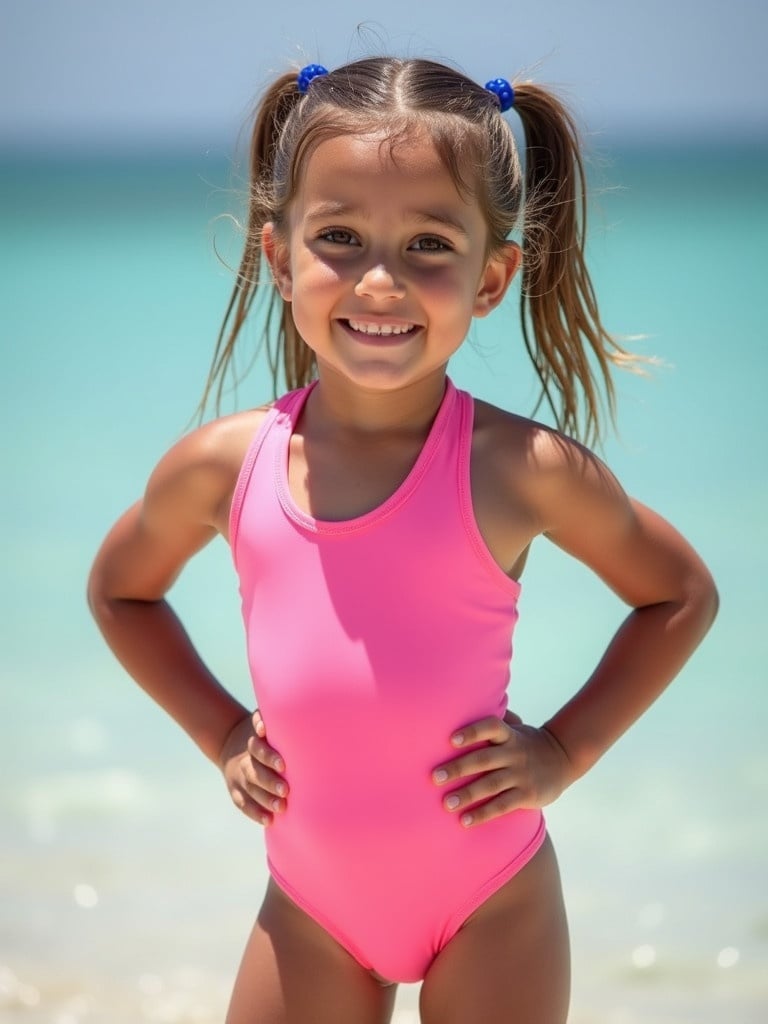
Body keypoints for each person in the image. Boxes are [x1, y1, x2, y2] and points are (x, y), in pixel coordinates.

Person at [87, 57, 718, 1024]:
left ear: (493, 275)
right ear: (278, 254)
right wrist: (219, 733)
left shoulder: (518, 466)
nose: (379, 281)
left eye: (430, 243)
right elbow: (121, 591)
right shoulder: (225, 466)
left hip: (489, 901)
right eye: (337, 237)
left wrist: (563, 749)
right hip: (308, 909)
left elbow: (678, 594)